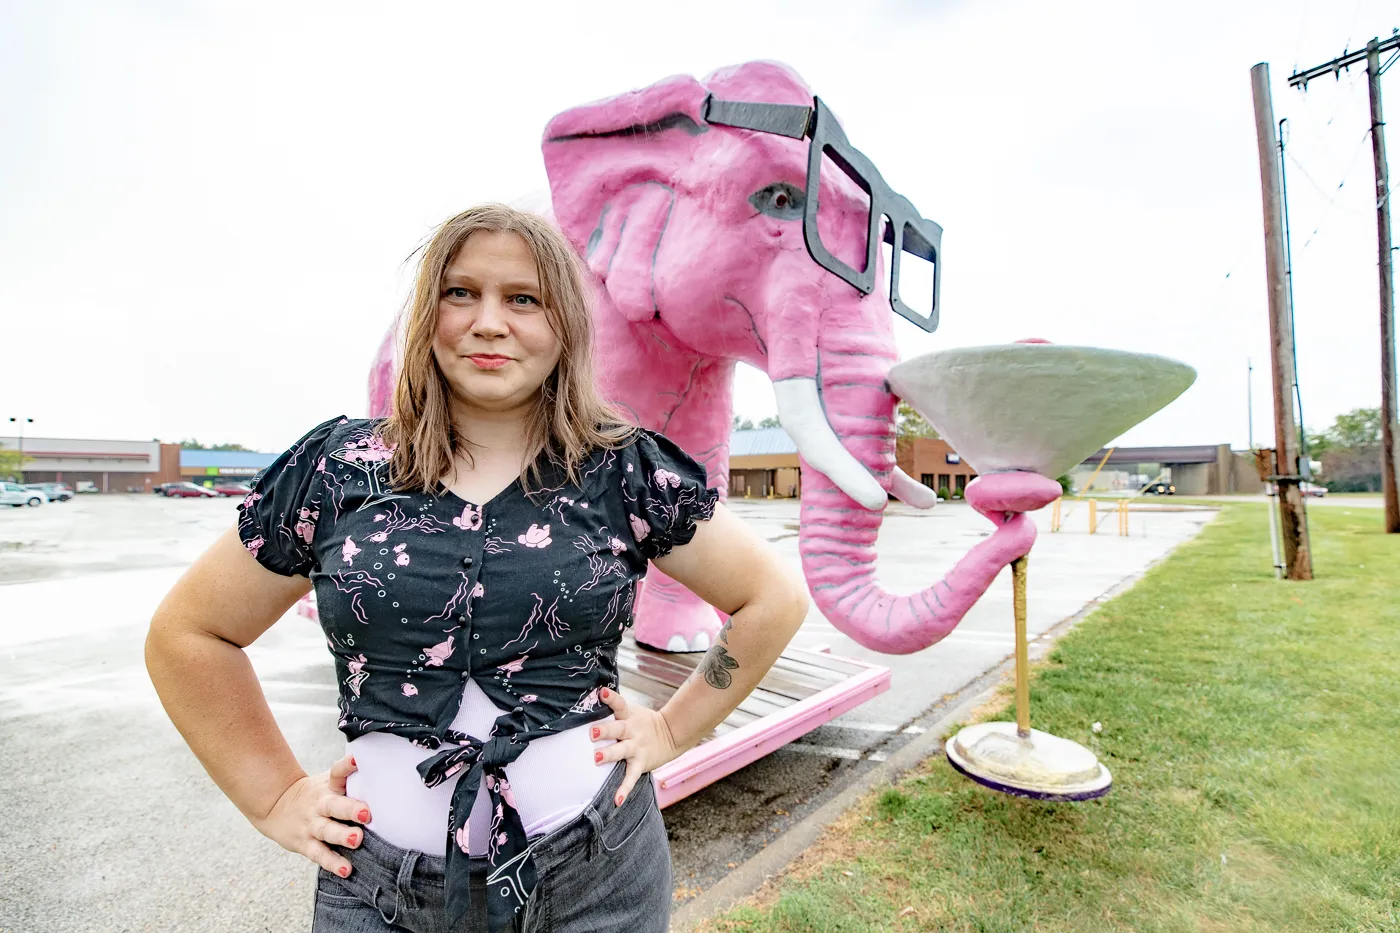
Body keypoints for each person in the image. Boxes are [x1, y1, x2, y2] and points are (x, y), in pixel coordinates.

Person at [145, 203, 810, 933]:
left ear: (565, 324)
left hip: (596, 881)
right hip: (377, 892)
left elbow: (769, 599)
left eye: (523, 298)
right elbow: (190, 634)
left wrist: (674, 730)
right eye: (461, 293)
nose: (489, 321)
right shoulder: (336, 470)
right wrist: (273, 797)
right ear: (428, 316)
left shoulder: (624, 469)